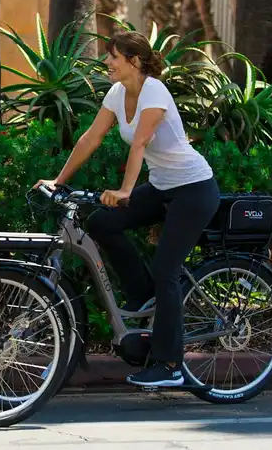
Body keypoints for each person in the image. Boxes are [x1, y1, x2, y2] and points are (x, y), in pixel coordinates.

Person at [35, 30, 220, 389]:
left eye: (113, 57)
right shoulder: (118, 93)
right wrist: (58, 181)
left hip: (194, 190)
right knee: (103, 222)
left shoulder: (154, 91)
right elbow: (92, 137)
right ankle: (145, 299)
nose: (107, 62)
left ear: (134, 62)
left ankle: (169, 365)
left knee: (167, 270)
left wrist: (124, 190)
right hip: (165, 186)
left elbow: (140, 144)